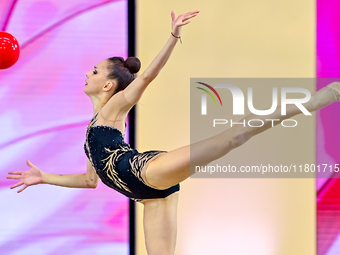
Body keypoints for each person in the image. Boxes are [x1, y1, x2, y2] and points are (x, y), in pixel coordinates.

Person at [6, 9, 340, 255]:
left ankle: (317, 100)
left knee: (234, 136)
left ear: (108, 85)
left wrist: (173, 36)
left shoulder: (113, 110)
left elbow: (147, 78)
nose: (88, 74)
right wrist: (44, 176)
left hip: (146, 170)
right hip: (146, 195)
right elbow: (90, 181)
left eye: (94, 71)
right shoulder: (93, 129)